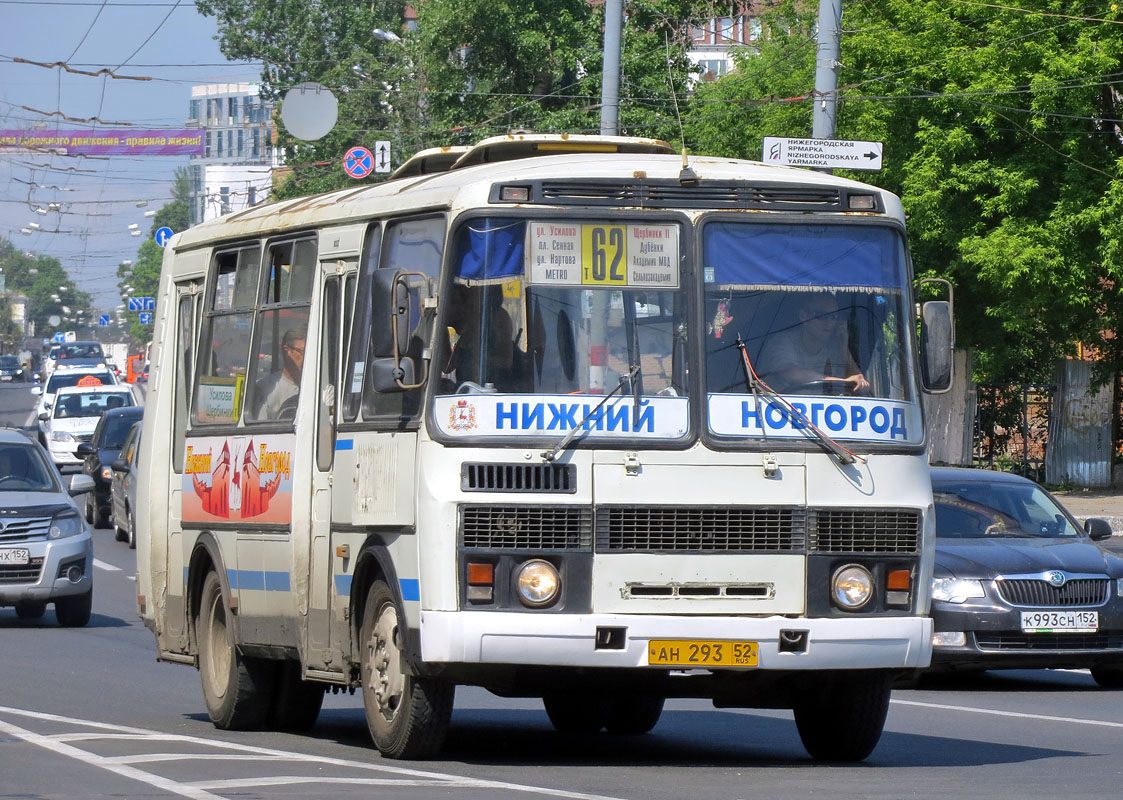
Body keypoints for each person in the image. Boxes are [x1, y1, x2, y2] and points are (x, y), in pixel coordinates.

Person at [761, 292, 869, 394]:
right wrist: (845, 383)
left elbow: (858, 381)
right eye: (821, 315)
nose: (829, 323)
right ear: (803, 316)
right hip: (777, 408)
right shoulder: (781, 341)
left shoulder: (835, 347)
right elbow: (792, 374)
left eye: (834, 317)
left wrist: (844, 347)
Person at [253, 327, 305, 418]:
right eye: (303, 351)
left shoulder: (317, 388)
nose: (307, 357)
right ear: (287, 351)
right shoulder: (266, 389)